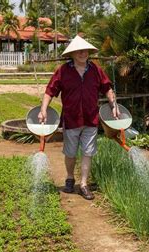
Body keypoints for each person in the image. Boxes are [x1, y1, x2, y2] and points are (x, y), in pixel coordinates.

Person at [38, 35, 119, 200]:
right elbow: (50, 91)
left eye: (85, 51)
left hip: (90, 118)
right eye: (79, 51)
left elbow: (107, 89)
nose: (83, 53)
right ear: (73, 54)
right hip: (71, 118)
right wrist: (43, 109)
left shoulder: (95, 70)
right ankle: (69, 177)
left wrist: (114, 105)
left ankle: (83, 184)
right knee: (70, 153)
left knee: (88, 152)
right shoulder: (63, 71)